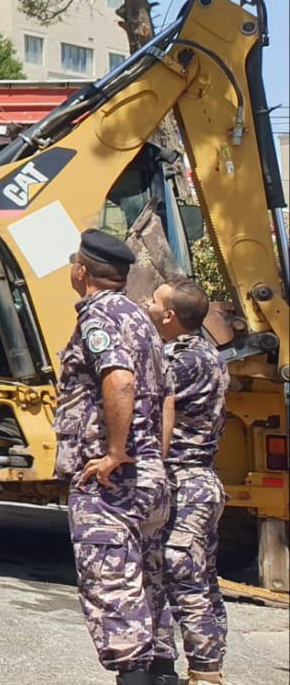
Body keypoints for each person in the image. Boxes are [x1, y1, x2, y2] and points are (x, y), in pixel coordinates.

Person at [57, 229, 175, 685]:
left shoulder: (99, 315)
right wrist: (153, 455)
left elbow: (120, 380)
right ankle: (162, 674)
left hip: (112, 483)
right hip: (148, 476)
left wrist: (115, 453)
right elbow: (166, 396)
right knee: (148, 587)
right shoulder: (140, 318)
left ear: (81, 271)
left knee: (113, 592)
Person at [146, 279, 229, 685]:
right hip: (195, 482)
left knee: (182, 576)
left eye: (153, 300)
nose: (146, 304)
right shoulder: (201, 352)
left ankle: (205, 673)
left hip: (185, 482)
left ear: (169, 315)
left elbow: (152, 406)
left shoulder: (182, 359)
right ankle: (172, 668)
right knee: (190, 579)